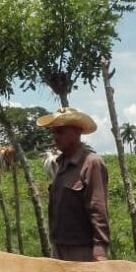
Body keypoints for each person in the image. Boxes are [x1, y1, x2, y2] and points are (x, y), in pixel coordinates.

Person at [37, 107, 110, 262]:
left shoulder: (91, 163)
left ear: (77, 132)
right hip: (59, 247)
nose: (55, 137)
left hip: (82, 250)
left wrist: (100, 249)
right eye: (54, 132)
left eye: (61, 132)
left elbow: (98, 208)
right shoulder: (61, 164)